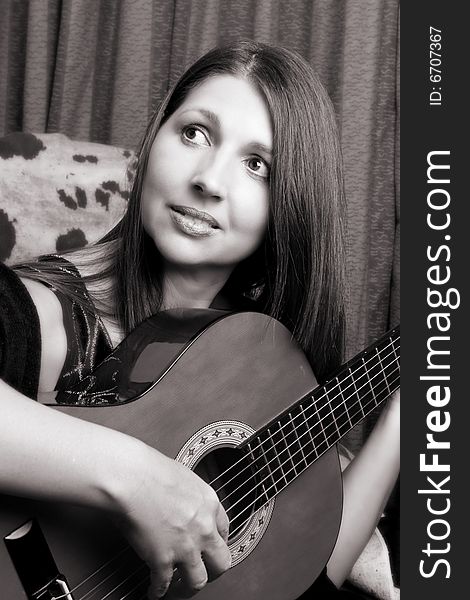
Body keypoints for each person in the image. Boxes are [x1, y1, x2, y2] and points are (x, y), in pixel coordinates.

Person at [0, 41, 399, 599]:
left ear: (289, 207)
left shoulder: (256, 365)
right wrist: (137, 479)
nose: (210, 180)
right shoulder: (39, 313)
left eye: (257, 165)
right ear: (155, 139)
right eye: (195, 133)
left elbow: (301, 571)